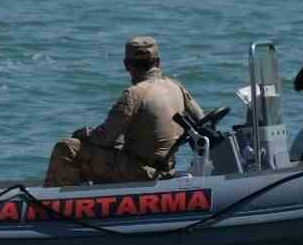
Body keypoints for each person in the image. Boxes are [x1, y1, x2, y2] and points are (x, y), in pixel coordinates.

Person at [43, 36, 204, 186]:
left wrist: (84, 133)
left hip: (140, 172)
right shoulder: (176, 86)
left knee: (66, 147)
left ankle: (49, 206)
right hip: (166, 169)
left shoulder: (134, 94)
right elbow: (200, 119)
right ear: (158, 62)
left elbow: (105, 138)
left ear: (126, 65)